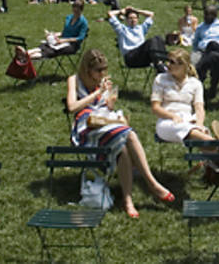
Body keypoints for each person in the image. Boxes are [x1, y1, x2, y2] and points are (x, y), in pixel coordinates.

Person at [67, 49, 173, 219]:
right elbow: (72, 107)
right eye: (98, 70)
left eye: (105, 69)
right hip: (86, 126)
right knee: (129, 135)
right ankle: (152, 184)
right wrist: (97, 93)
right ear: (87, 69)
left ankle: (128, 200)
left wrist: (110, 100)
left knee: (123, 148)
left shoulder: (103, 81)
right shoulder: (74, 80)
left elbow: (107, 107)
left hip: (105, 121)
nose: (103, 74)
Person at [151, 48, 215, 144]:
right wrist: (172, 116)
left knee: (200, 130)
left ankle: (216, 155)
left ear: (183, 65)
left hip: (188, 119)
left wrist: (199, 124)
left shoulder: (195, 83)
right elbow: (155, 107)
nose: (168, 65)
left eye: (172, 62)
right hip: (167, 121)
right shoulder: (161, 79)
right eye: (168, 61)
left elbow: (199, 108)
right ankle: (218, 144)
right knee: (194, 132)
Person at [23, 0, 89, 60]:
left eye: (77, 10)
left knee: (52, 50)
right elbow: (65, 32)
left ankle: (27, 57)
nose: (75, 12)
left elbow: (80, 38)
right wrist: (54, 34)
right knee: (47, 44)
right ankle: (27, 53)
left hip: (72, 45)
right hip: (61, 40)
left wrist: (63, 40)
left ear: (81, 10)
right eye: (74, 9)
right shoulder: (69, 18)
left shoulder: (83, 22)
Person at [109, 6, 168, 72]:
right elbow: (110, 14)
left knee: (158, 38)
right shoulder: (121, 29)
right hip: (131, 58)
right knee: (151, 41)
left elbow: (151, 14)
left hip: (142, 57)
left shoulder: (141, 28)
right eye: (130, 18)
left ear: (137, 19)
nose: (133, 20)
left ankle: (162, 63)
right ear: (126, 19)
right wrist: (122, 11)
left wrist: (136, 10)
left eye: (135, 18)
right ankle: (160, 65)